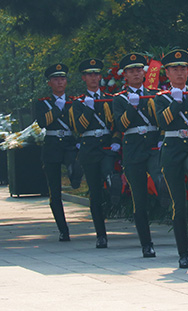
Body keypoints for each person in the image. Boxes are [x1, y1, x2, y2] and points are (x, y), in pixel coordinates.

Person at [154, 49, 188, 268]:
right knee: (179, 205)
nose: (179, 73)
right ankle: (184, 253)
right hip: (171, 149)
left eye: (183, 69)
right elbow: (163, 122)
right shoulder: (161, 98)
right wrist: (175, 103)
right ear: (167, 73)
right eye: (174, 69)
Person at [113, 53, 164, 257]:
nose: (136, 73)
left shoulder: (155, 94)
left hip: (152, 145)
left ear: (144, 72)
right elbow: (121, 125)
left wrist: (161, 137)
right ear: (125, 75)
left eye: (139, 70)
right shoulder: (119, 99)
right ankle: (146, 243)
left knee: (160, 177)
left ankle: (166, 201)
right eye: (131, 71)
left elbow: (162, 120)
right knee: (139, 198)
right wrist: (133, 107)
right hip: (133, 149)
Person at [69, 58, 123, 248]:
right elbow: (78, 127)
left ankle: (112, 184)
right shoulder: (78, 103)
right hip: (90, 149)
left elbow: (117, 125)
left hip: (107, 147)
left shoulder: (110, 98)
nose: (94, 78)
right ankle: (101, 234)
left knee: (109, 173)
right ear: (84, 78)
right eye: (90, 74)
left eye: (96, 74)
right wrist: (89, 109)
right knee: (95, 194)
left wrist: (116, 141)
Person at [35, 63, 79, 241]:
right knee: (55, 192)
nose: (60, 82)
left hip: (69, 143)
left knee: (75, 168)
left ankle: (74, 177)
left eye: (62, 78)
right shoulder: (42, 103)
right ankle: (63, 229)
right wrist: (57, 108)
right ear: (50, 82)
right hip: (52, 144)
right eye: (56, 79)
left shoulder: (74, 101)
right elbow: (42, 122)